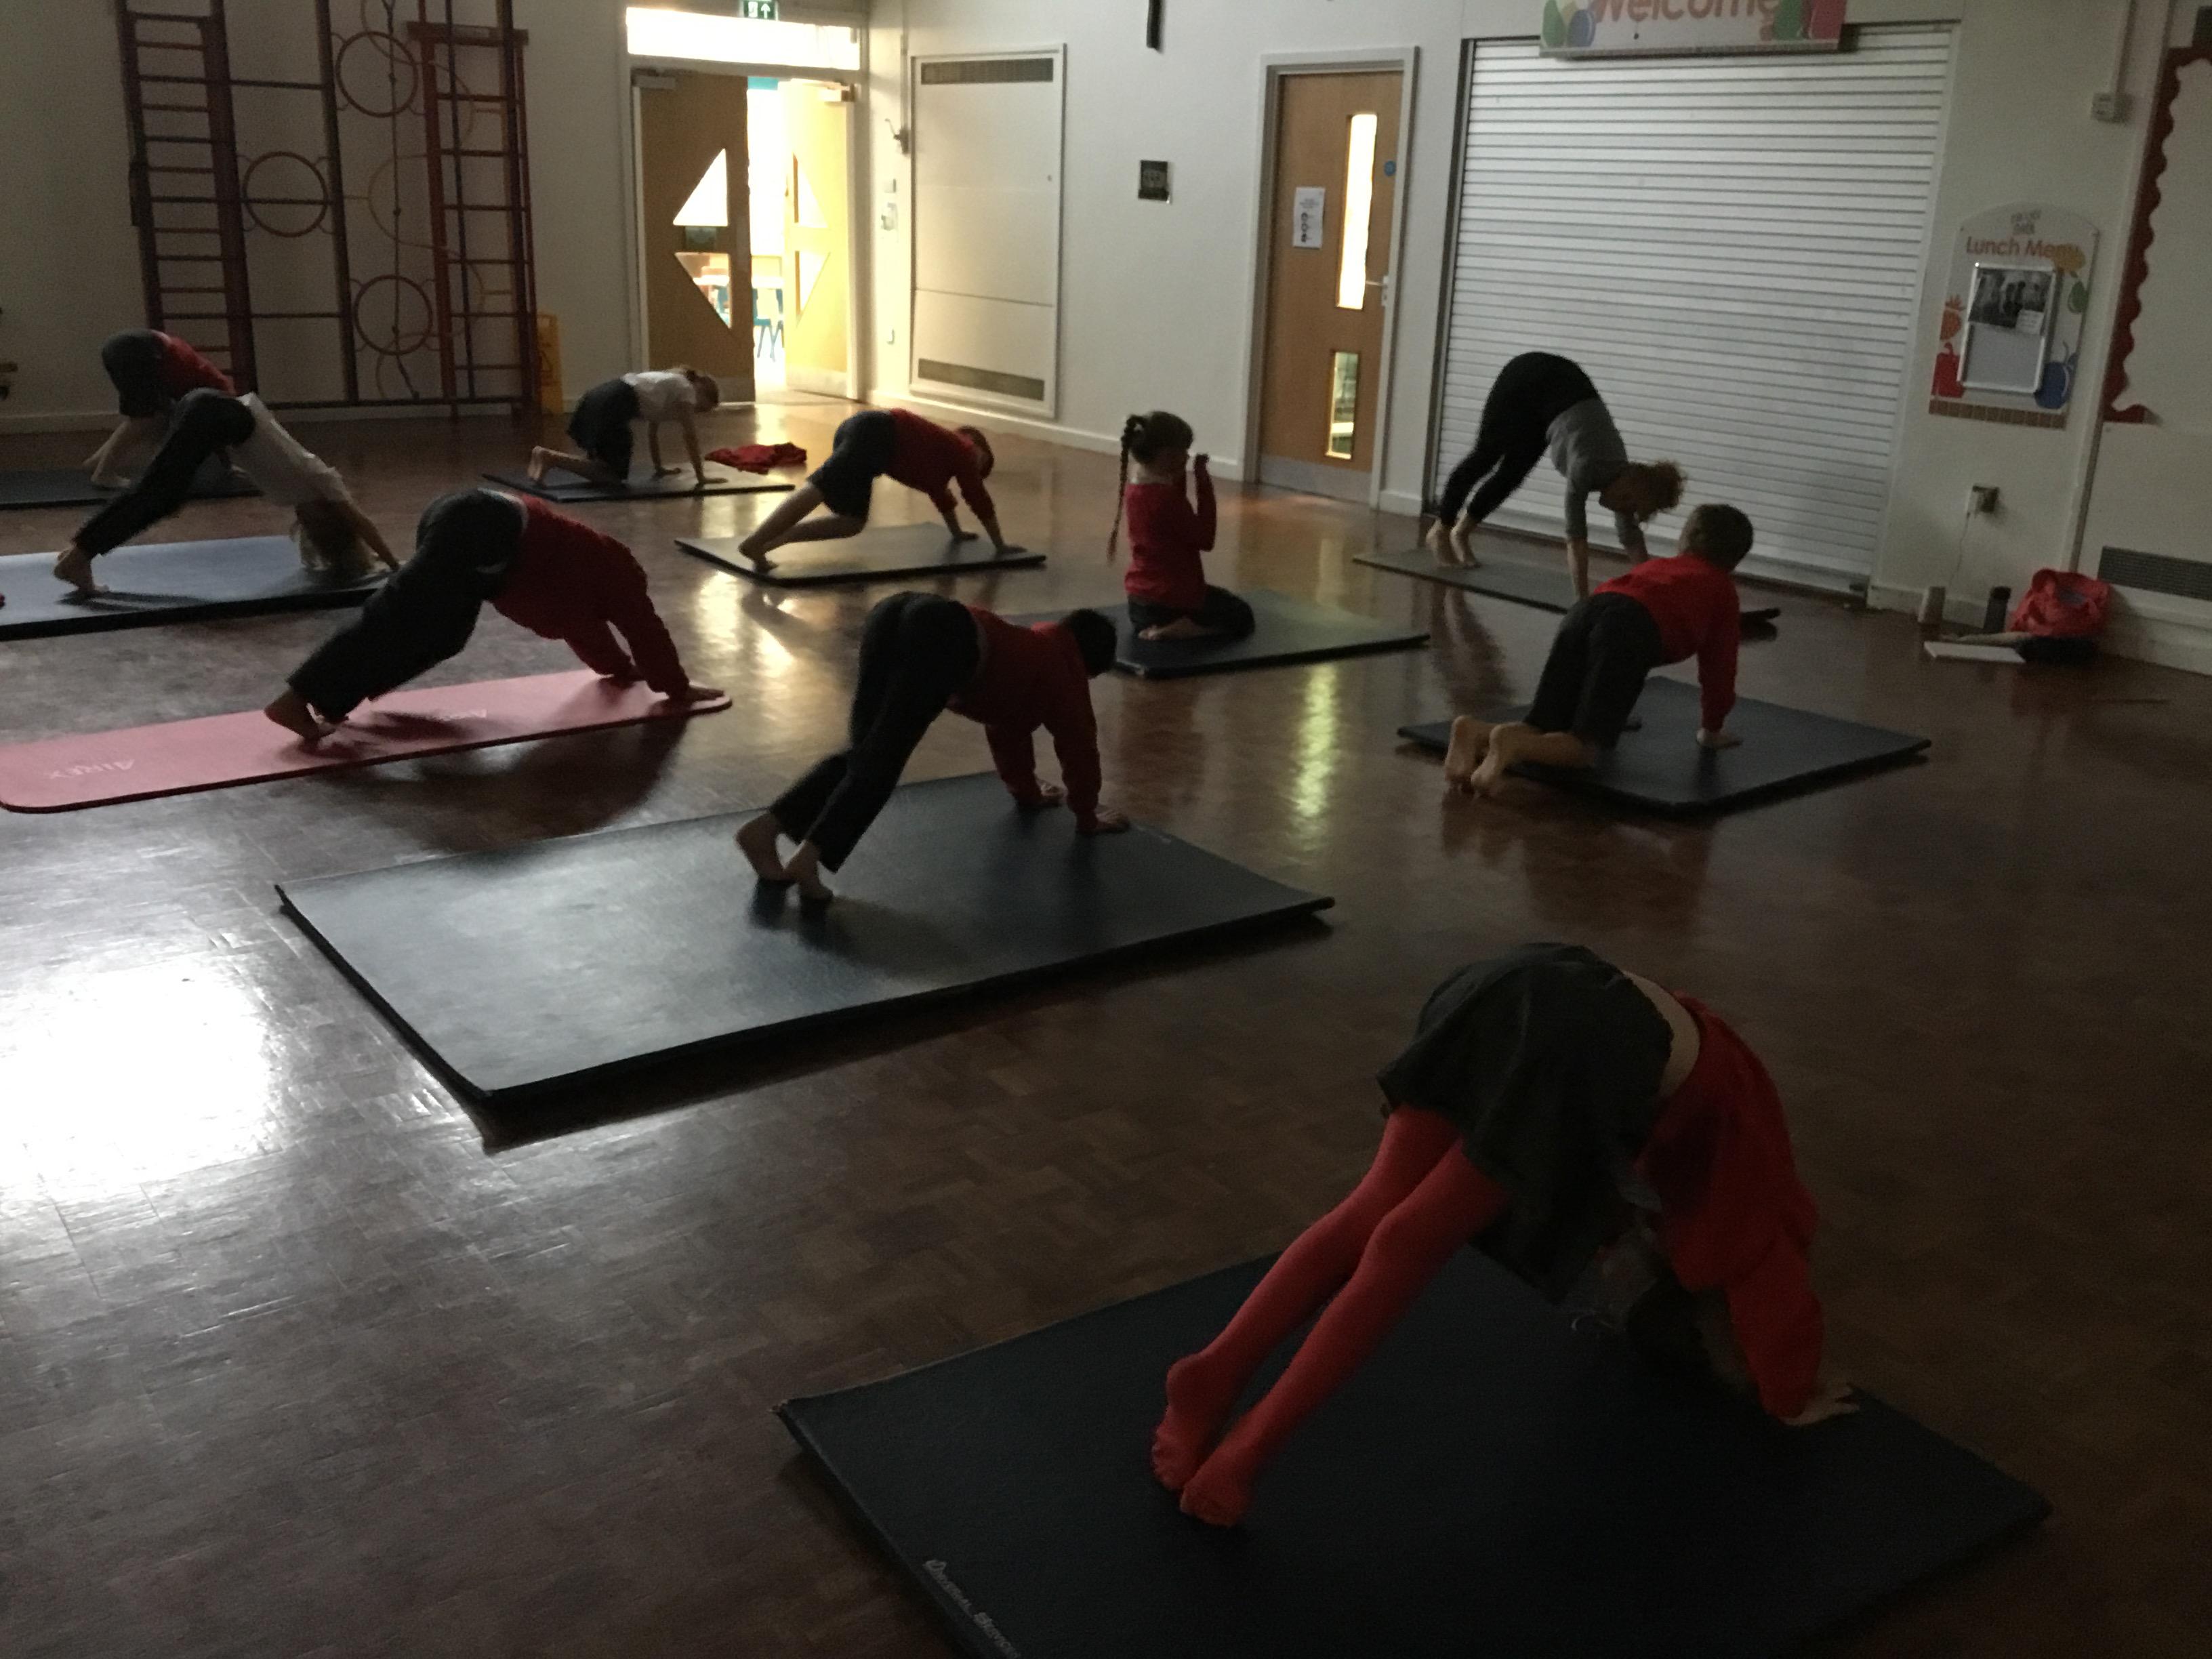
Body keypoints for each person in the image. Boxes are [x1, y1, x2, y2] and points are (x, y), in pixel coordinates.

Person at [1152, 942, 1851, 1529]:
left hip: (1520, 981)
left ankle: (1213, 1371)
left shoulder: (1710, 1064)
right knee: (1407, 1245)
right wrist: (1790, 1390)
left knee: (1369, 1211)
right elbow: (1760, 1259)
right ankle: (1250, 1449)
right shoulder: (1751, 1155)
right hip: (1580, 1039)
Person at [735, 592, 1130, 901]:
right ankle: (808, 858)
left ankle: (765, 829)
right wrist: (1087, 816)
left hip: (897, 610)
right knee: (882, 760)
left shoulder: (1033, 649)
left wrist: (1026, 793)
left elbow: (1008, 731)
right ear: (1090, 663)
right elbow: (1080, 749)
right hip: (942, 634)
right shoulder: (1064, 673)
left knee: (866, 751)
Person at [264, 487, 720, 742]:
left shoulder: (583, 594)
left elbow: (588, 633)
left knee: (447, 636)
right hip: (481, 524)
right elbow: (645, 629)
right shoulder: (620, 580)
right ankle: (295, 698)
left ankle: (331, 700)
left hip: (477, 536)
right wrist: (676, 688)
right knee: (394, 616)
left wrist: (621, 670)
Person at [1444, 503, 1753, 796]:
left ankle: (1475, 730)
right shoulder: (1721, 589)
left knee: (1542, 724)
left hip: (1586, 611)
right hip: (1630, 627)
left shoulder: (1658, 567)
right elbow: (1720, 667)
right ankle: (1511, 744)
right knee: (1583, 751)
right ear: (1735, 560)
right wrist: (1712, 729)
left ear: (1684, 541)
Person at [52, 388, 394, 596]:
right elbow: (363, 523)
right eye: (318, 522)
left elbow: (262, 458)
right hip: (215, 414)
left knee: (162, 496)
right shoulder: (324, 481)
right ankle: (78, 556)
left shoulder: (293, 494)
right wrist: (395, 565)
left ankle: (79, 552)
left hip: (209, 415)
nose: (304, 520)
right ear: (333, 515)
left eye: (309, 527)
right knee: (157, 495)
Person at [1425, 352, 1683, 599]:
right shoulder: (1585, 467)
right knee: (1486, 456)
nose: (1623, 509)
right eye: (1628, 503)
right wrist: (1582, 601)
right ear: (1629, 484)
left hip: (1554, 402)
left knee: (1513, 473)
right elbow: (1576, 539)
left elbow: (1631, 537)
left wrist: (1650, 587)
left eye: (1630, 508)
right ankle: (1440, 530)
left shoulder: (1625, 481)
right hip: (1526, 377)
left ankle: (1461, 533)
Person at [732, 409, 1019, 570]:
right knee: (819, 487)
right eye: (983, 458)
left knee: (852, 521)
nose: (978, 465)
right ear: (976, 444)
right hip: (876, 434)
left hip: (867, 439)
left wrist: (957, 533)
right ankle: (756, 542)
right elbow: (978, 498)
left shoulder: (939, 463)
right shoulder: (962, 448)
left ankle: (775, 540)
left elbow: (943, 498)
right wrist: (1000, 545)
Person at [1107, 410, 1253, 642]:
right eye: (1183, 451)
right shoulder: (1165, 499)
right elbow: (1206, 539)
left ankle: (1168, 626)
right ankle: (1187, 629)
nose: (1187, 456)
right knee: (1241, 615)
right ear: (1167, 455)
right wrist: (1203, 482)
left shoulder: (1137, 489)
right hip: (1173, 602)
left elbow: (1176, 506)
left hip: (1140, 606)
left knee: (1219, 599)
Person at [527, 367, 720, 491]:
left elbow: (653, 432)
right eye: (704, 408)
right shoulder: (686, 390)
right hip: (614, 404)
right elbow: (690, 435)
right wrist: (701, 477)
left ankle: (543, 455)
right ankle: (550, 457)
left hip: (599, 398)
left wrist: (659, 467)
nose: (698, 411)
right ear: (702, 390)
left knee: (604, 467)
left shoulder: (671, 382)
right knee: (611, 476)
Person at [85, 328, 236, 487]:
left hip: (125, 347)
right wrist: (227, 465)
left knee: (144, 419)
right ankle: (104, 474)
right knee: (147, 420)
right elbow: (212, 431)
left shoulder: (208, 383)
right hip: (138, 350)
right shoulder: (214, 392)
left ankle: (96, 462)